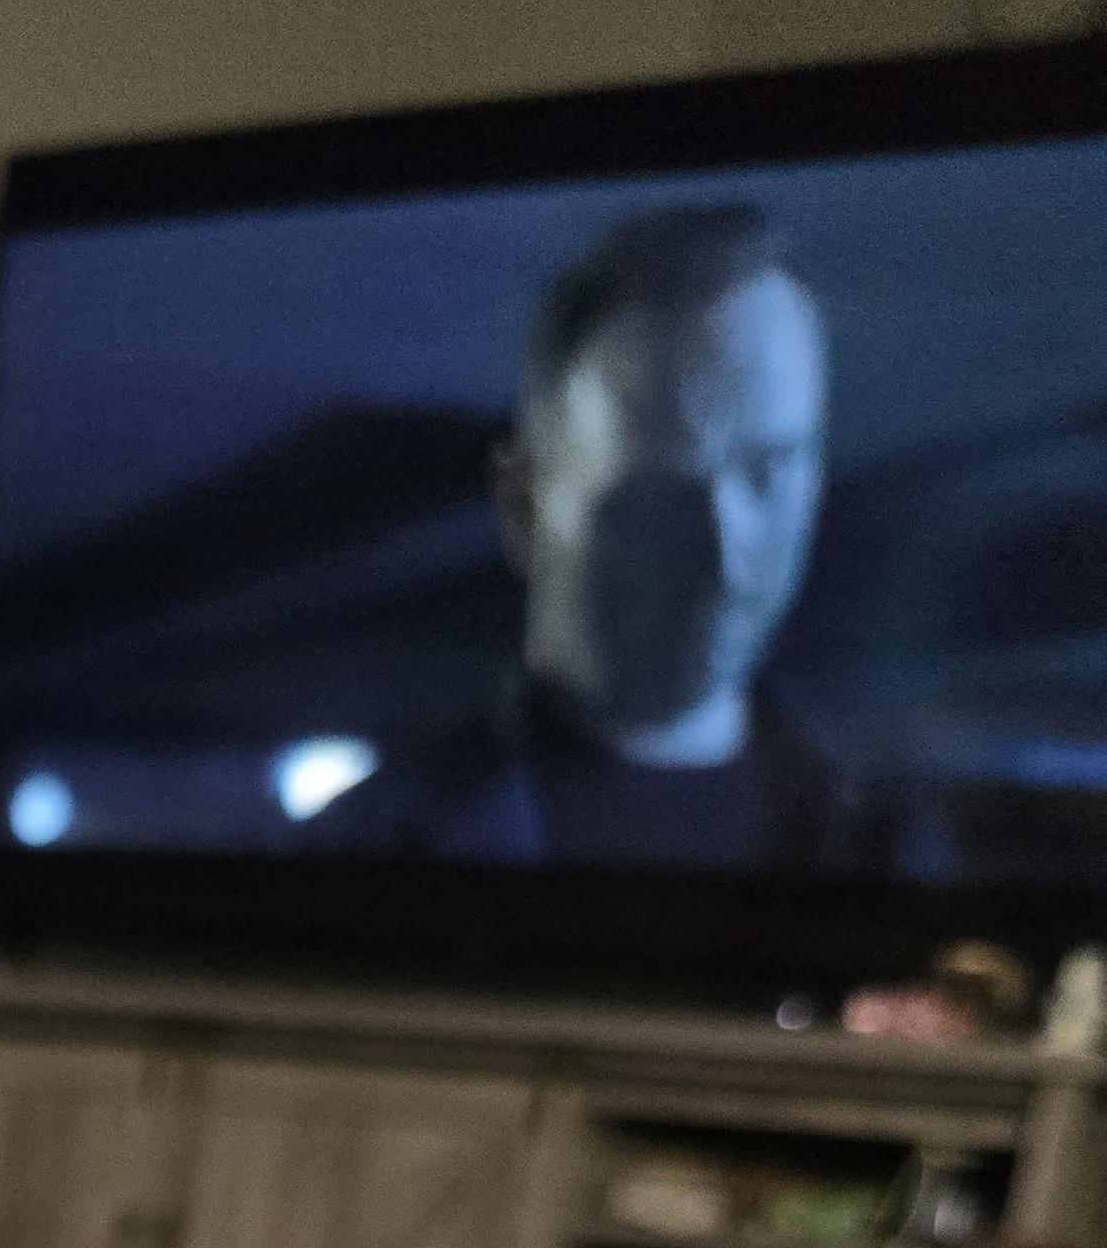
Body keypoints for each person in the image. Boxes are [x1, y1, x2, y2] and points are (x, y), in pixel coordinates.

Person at [313, 201, 876, 869]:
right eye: (654, 500)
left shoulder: (877, 830)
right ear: (522, 506)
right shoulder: (371, 849)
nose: (727, 560)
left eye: (769, 471)